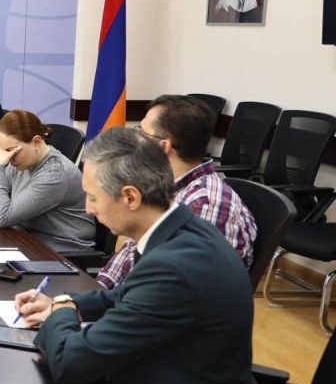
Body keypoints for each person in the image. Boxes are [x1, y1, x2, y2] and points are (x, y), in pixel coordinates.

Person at [5, 127, 270, 384]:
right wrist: (70, 302)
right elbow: (126, 296)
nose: (88, 209)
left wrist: (60, 310)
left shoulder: (173, 268)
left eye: (92, 197)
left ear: (130, 196)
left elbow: (70, 362)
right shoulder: (183, 230)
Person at [96, 94, 257, 289]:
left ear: (163, 146)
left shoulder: (206, 205)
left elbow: (177, 290)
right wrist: (89, 294)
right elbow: (127, 263)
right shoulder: (160, 187)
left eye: (141, 133)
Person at [0, 109, 94, 251]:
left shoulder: (55, 173)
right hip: (29, 239)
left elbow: (2, 218)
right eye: (2, 151)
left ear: (36, 142)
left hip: (62, 251)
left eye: (10, 151)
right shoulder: (24, 160)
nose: (7, 158)